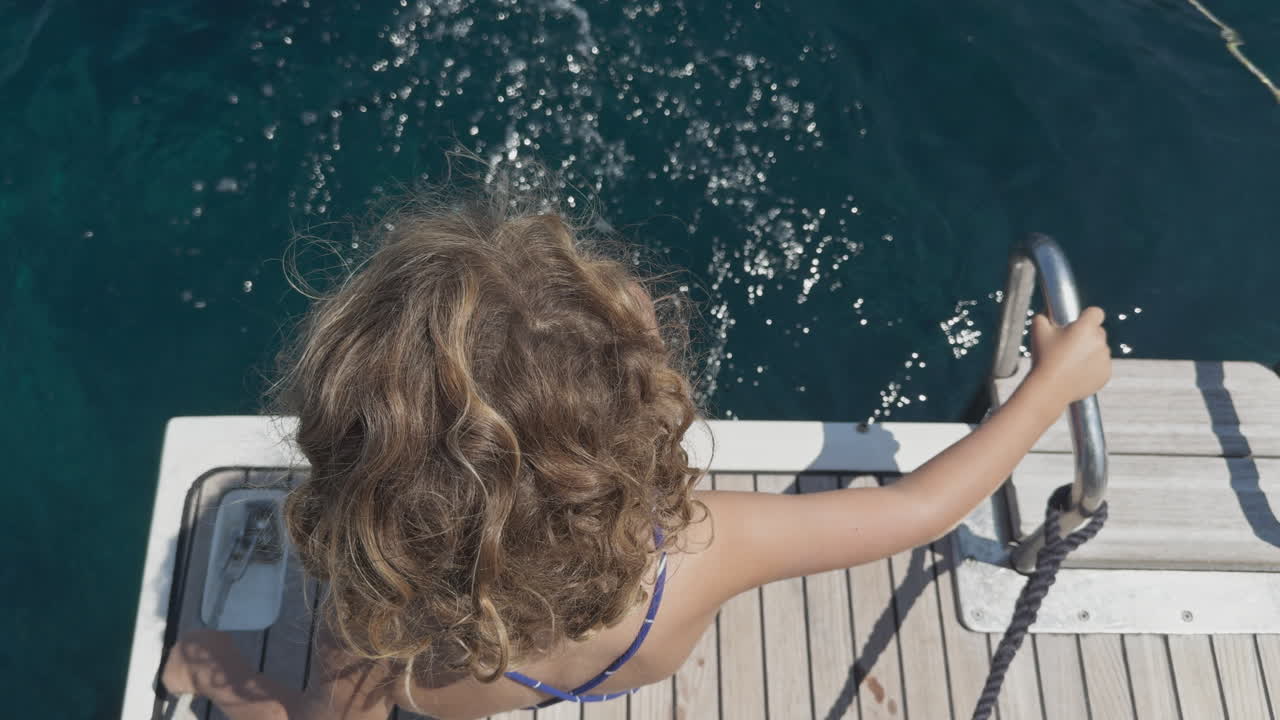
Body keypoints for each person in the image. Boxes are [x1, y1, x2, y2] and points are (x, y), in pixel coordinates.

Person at [162, 168, 1111, 720]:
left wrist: (242, 692)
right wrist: (1047, 389)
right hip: (630, 659)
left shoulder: (385, 639)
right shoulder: (705, 552)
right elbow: (919, 511)